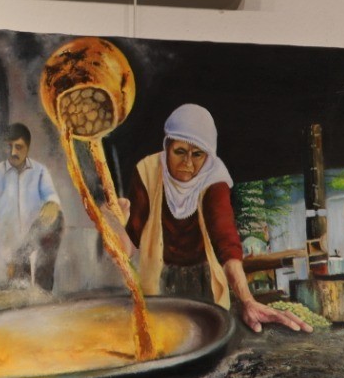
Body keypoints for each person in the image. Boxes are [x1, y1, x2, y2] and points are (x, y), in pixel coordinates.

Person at [120, 104, 309, 333]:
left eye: (197, 154)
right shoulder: (147, 171)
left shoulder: (214, 180)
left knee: (207, 334)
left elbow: (226, 240)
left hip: (204, 280)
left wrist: (247, 301)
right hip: (158, 278)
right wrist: (114, 223)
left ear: (208, 156)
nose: (188, 163)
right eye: (180, 151)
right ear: (167, 146)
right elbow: (131, 241)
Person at [0, 123, 64, 291]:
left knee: (56, 220)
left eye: (18, 147)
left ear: (28, 147)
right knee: (15, 287)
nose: (13, 152)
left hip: (35, 234)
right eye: (9, 147)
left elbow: (52, 202)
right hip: (8, 242)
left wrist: (51, 205)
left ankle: (44, 293)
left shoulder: (40, 172)